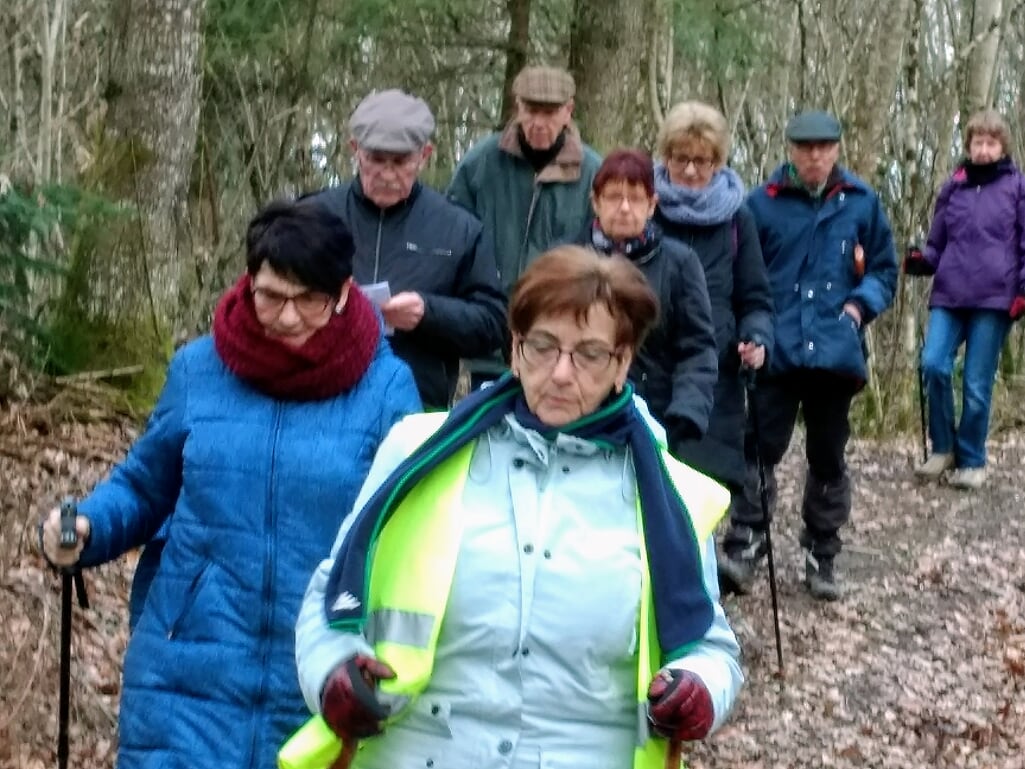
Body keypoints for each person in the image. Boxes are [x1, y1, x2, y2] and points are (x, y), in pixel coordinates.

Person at [280, 246, 742, 769]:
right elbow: (329, 600)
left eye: (589, 354)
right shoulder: (416, 453)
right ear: (515, 349)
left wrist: (699, 689)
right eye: (543, 346)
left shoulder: (669, 494)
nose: (562, 373)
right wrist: (334, 673)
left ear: (623, 362)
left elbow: (710, 649)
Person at [37, 200, 422, 769]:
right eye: (270, 295)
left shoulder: (386, 387)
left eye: (308, 300)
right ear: (249, 281)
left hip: (317, 668)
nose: (287, 318)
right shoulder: (199, 370)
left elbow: (407, 528)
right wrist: (87, 527)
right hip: (185, 669)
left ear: (343, 294)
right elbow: (146, 486)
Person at [742, 110, 897, 601]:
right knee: (760, 448)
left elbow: (884, 270)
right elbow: (746, 276)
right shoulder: (760, 205)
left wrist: (858, 308)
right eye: (805, 147)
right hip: (777, 348)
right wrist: (753, 332)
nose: (814, 156)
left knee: (827, 454)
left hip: (834, 352)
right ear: (790, 149)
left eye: (823, 147)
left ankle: (822, 550)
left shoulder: (862, 203)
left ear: (836, 150)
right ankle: (746, 540)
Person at [308, 88, 507, 409]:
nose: (387, 174)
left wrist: (428, 313)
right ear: (355, 150)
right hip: (320, 397)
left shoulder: (458, 228)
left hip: (415, 405)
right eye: (375, 160)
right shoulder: (312, 216)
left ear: (424, 155)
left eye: (401, 162)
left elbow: (494, 324)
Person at [650, 101, 773, 593]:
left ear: (719, 161)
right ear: (667, 157)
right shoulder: (646, 208)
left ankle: (691, 587)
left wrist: (757, 338)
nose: (691, 170)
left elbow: (756, 297)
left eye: (703, 160)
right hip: (649, 365)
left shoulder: (737, 221)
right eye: (681, 159)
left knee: (701, 484)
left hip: (714, 372)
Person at [905, 109, 1025, 490]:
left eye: (991, 143)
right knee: (933, 365)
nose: (983, 150)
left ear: (1003, 147)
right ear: (968, 145)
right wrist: (921, 261)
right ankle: (943, 448)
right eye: (977, 142)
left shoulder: (1021, 189)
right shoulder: (953, 189)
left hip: (995, 298)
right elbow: (936, 244)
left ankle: (972, 459)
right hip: (950, 294)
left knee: (975, 383)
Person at [447, 65, 602, 388]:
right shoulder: (481, 163)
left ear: (568, 111)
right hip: (491, 336)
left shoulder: (592, 173)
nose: (539, 123)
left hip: (561, 342)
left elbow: (601, 256)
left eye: (550, 112)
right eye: (531, 111)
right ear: (517, 106)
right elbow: (454, 240)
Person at [576, 148, 718, 452]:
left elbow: (698, 347)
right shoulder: (567, 258)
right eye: (614, 197)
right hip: (577, 412)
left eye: (636, 198)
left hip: (656, 418)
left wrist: (685, 414)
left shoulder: (680, 263)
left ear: (652, 205)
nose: (625, 208)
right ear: (595, 202)